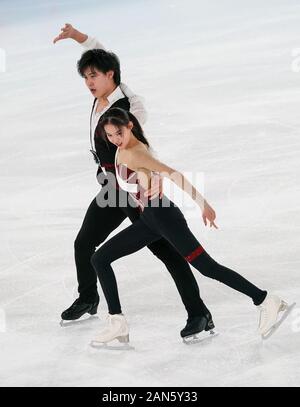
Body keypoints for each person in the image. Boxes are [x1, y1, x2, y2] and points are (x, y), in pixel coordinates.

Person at [53, 24, 215, 338]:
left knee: (167, 253)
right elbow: (97, 51)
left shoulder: (129, 108)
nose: (88, 82)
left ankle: (199, 314)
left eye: (94, 76)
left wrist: (152, 176)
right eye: (85, 76)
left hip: (135, 192)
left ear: (110, 74)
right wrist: (77, 37)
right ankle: (88, 298)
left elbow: (138, 146)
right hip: (112, 189)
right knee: (84, 242)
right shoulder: (101, 88)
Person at [89, 107, 290, 346]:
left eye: (118, 133)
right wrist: (153, 178)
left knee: (208, 267)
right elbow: (147, 173)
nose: (115, 140)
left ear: (129, 126)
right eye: (110, 135)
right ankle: (117, 322)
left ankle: (266, 300)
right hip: (149, 221)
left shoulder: (134, 152)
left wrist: (203, 204)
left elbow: (173, 174)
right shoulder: (125, 149)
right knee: (100, 258)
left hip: (165, 218)